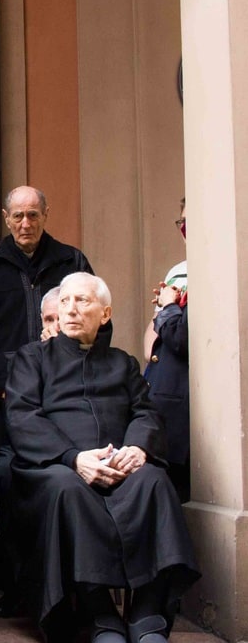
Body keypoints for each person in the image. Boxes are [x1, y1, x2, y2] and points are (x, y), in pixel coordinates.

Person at [5, 272, 199, 643]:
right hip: (57, 467)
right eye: (66, 302)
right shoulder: (32, 358)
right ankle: (101, 616)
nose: (71, 309)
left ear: (105, 312)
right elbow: (23, 416)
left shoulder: (123, 363)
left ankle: (146, 617)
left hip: (119, 462)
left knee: (155, 483)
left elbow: (146, 412)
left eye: (83, 301)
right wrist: (74, 457)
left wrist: (137, 449)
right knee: (69, 490)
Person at [0, 185, 93, 616]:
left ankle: (71, 582)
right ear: (4, 217)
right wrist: (7, 383)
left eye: (33, 215)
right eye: (17, 216)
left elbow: (97, 329)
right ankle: (12, 583)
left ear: (45, 214)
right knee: (1, 474)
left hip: (68, 399)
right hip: (4, 402)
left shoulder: (72, 263)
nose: (25, 224)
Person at [143, 198, 189, 501]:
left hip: (189, 410)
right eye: (182, 221)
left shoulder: (223, 268)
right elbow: (153, 338)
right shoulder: (179, 271)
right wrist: (163, 311)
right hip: (162, 397)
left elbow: (185, 338)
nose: (185, 228)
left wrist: (169, 308)